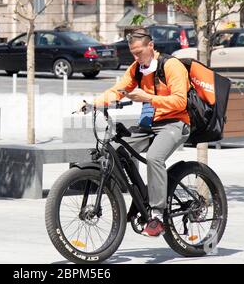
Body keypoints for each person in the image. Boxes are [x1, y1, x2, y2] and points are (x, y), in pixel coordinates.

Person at [78, 27, 191, 237]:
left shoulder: (171, 66)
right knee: (116, 149)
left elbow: (180, 100)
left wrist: (148, 98)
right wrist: (93, 103)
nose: (136, 57)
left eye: (139, 52)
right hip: (149, 125)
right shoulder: (136, 69)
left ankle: (157, 215)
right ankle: (141, 196)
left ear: (151, 46)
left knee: (155, 157)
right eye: (133, 53)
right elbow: (118, 91)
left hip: (175, 123)